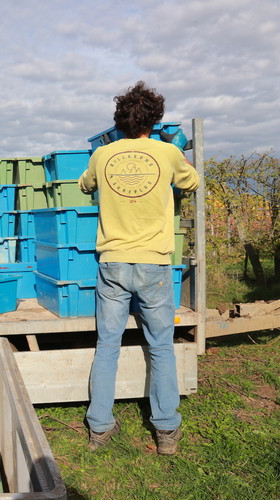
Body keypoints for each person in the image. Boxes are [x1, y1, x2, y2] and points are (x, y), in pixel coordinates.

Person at [78, 81, 200, 455]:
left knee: (107, 345)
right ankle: (166, 430)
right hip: (154, 263)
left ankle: (99, 426)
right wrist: (176, 155)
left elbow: (85, 186)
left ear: (119, 121)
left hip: (113, 261)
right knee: (161, 346)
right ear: (156, 119)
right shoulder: (166, 153)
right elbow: (192, 182)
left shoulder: (103, 155)